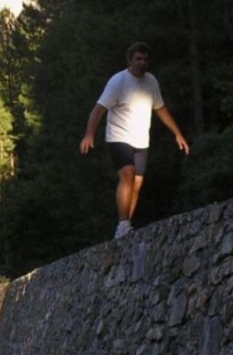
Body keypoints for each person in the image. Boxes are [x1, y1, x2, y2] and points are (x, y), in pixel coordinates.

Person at [80, 42, 190, 238]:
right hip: (119, 136)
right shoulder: (118, 81)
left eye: (145, 59)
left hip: (141, 139)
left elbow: (160, 108)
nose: (142, 63)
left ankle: (125, 228)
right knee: (128, 174)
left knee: (138, 183)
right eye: (138, 59)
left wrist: (177, 133)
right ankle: (123, 224)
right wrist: (90, 133)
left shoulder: (151, 82)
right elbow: (98, 109)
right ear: (130, 60)